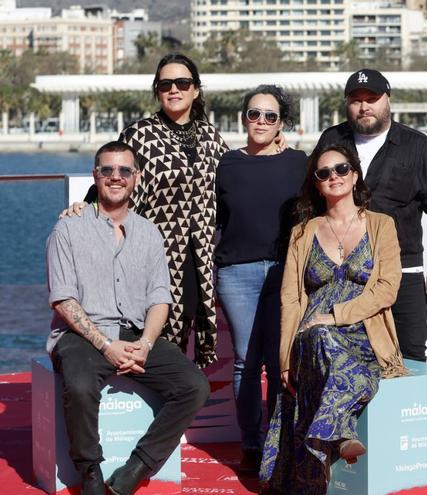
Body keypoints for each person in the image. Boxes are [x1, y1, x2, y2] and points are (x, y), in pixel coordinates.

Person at [46, 141, 209, 495]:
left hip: (136, 334)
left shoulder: (149, 233)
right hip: (82, 335)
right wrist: (106, 346)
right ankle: (89, 472)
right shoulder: (68, 230)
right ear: (95, 175)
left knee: (194, 386)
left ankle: (135, 469)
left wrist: (146, 344)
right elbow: (63, 300)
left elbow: (159, 298)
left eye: (124, 171)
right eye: (107, 170)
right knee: (80, 384)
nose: (115, 177)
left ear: (135, 177)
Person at [64, 53, 229, 368]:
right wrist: (84, 209)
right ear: (157, 90)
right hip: (154, 254)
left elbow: (234, 179)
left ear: (196, 90)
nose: (174, 90)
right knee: (156, 337)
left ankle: (179, 404)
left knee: (186, 332)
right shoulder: (139, 134)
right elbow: (113, 179)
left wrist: (274, 146)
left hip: (198, 258)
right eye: (165, 84)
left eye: (183, 83)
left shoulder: (211, 137)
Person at [260, 142, 408, 493]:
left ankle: (329, 436)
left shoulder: (381, 225)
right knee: (317, 337)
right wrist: (284, 358)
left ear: (355, 175)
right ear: (316, 182)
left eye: (342, 169)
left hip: (364, 332)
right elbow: (291, 299)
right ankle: (337, 436)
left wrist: (335, 315)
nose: (334, 177)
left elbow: (387, 288)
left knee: (324, 335)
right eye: (324, 173)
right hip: (311, 334)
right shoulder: (302, 232)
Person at [315, 68, 427, 362]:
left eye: (372, 98)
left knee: (409, 356)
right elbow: (311, 192)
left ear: (387, 100)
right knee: (346, 359)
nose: (365, 106)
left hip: (403, 273)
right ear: (347, 104)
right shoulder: (332, 139)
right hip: (343, 274)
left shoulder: (418, 147)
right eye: (356, 100)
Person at [214, 85, 307, 473]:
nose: (261, 122)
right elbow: (216, 218)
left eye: (270, 116)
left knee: (279, 359)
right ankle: (252, 443)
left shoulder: (299, 162)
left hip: (285, 272)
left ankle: (278, 441)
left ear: (281, 123)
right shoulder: (227, 164)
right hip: (236, 272)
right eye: (255, 114)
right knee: (245, 362)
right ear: (243, 118)